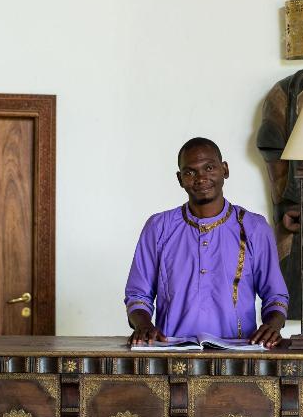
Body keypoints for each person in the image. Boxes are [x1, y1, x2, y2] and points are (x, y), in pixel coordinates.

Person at [124, 137, 289, 347]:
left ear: (225, 170)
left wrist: (272, 326)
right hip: (171, 351)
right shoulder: (158, 227)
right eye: (190, 172)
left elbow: (275, 296)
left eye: (209, 168)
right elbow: (138, 294)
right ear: (180, 179)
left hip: (238, 354)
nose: (201, 178)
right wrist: (143, 325)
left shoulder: (254, 228)